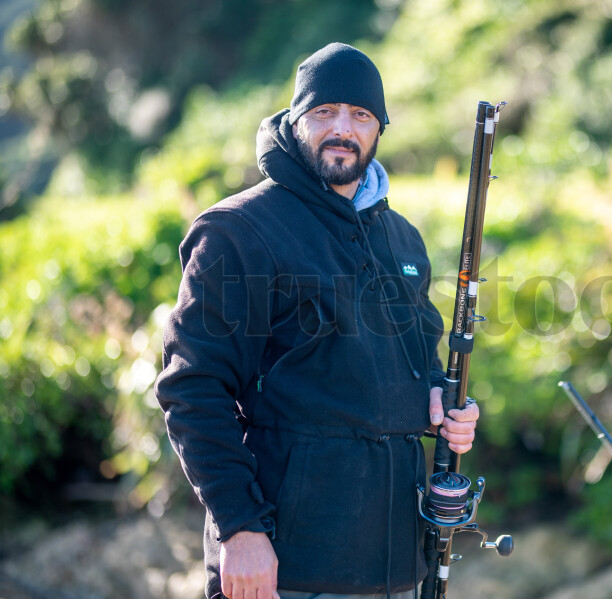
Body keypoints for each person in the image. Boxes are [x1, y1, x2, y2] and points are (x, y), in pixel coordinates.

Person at [155, 42, 480, 599]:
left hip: (395, 565)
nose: (342, 129)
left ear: (380, 128)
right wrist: (241, 528)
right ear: (295, 119)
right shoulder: (237, 232)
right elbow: (193, 388)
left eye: (360, 115)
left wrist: (439, 402)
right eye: (324, 112)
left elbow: (419, 360)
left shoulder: (402, 238)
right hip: (286, 568)